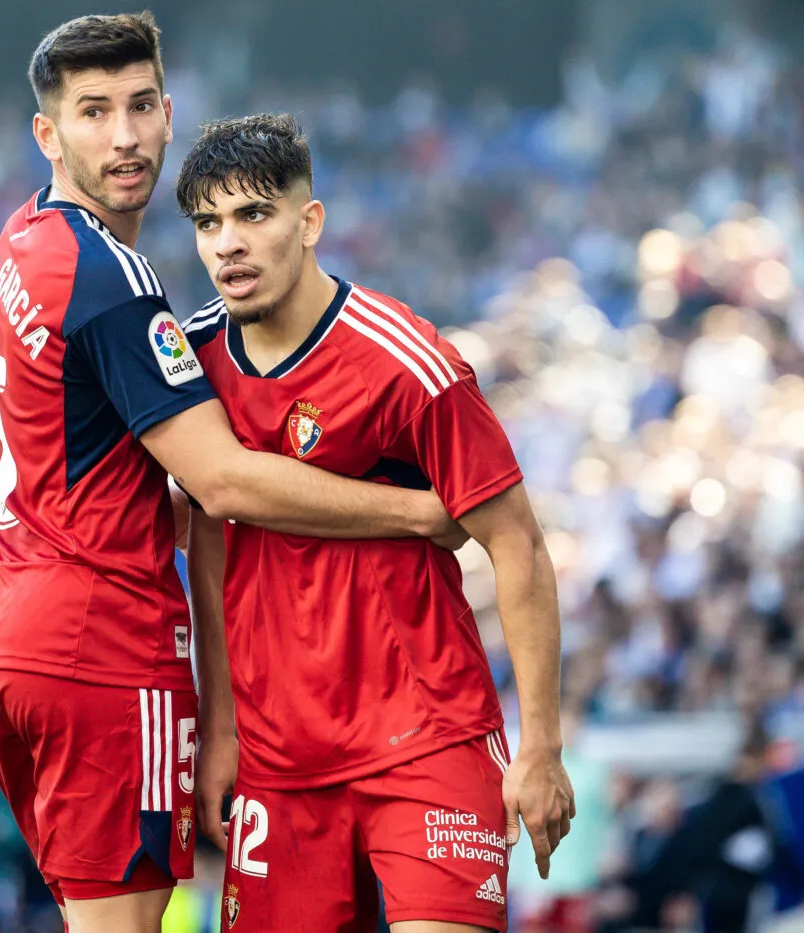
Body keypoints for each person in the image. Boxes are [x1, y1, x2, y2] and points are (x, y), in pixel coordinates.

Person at [0, 15, 463, 933]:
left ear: (170, 115)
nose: (125, 135)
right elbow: (223, 483)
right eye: (93, 113)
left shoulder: (19, 240)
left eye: (139, 106)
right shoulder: (114, 279)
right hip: (101, 649)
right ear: (48, 134)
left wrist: (96, 490)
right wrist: (416, 512)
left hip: (0, 646)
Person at [175, 114, 575, 933]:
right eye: (209, 224)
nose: (228, 245)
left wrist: (541, 745)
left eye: (254, 215)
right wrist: (220, 728)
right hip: (279, 764)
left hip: (426, 738)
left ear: (309, 221)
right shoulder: (190, 364)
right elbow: (207, 550)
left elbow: (517, 543)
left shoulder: (406, 361)